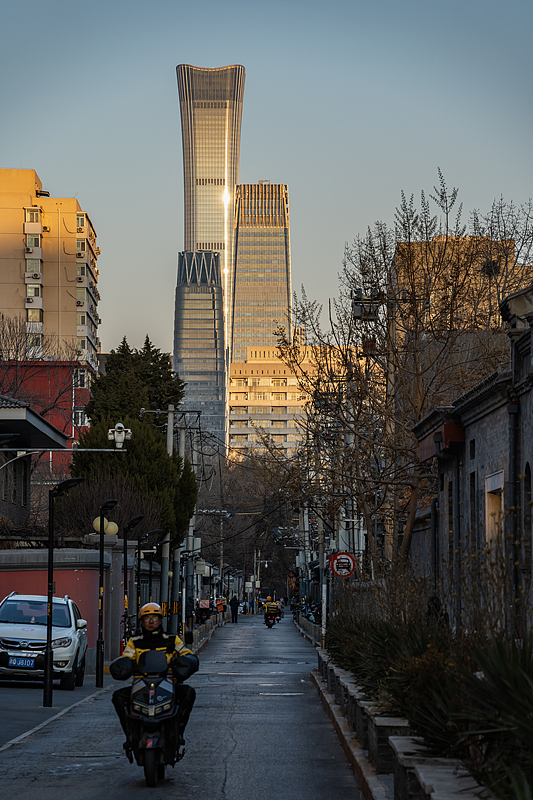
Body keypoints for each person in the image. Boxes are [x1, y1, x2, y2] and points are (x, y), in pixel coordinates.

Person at [110, 602, 199, 753]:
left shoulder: (172, 640)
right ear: (141, 621)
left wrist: (186, 662)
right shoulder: (135, 642)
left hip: (168, 685)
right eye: (147, 618)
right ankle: (131, 735)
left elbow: (186, 653)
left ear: (160, 620)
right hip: (141, 687)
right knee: (118, 697)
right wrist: (123, 665)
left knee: (188, 693)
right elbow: (127, 656)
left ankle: (178, 731)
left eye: (155, 618)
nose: (151, 622)